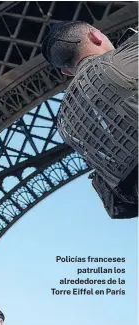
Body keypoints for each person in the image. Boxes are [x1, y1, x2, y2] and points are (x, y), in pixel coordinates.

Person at [42, 21, 138, 219]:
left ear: (66, 71)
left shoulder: (65, 125)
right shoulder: (128, 55)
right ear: (96, 37)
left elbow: (119, 203)